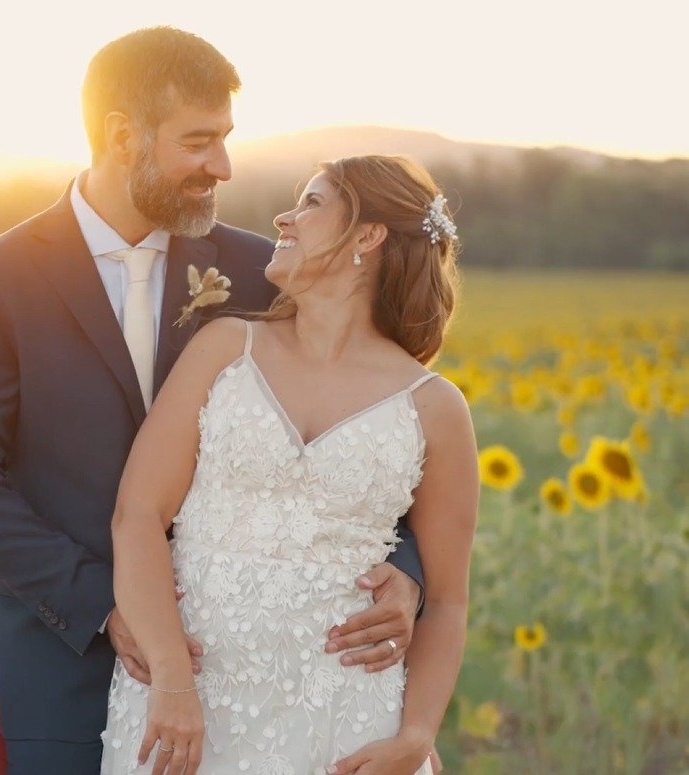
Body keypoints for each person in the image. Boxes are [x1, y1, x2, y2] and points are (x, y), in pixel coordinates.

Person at [0, 27, 428, 774]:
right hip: (65, 658)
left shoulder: (265, 268)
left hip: (253, 670)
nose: (220, 165)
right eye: (199, 141)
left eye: (224, 138)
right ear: (123, 136)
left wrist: (407, 571)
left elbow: (382, 417)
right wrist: (105, 604)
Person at [99, 155, 477, 774]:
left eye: (312, 202)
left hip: (346, 716)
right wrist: (169, 678)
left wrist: (415, 737)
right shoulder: (224, 348)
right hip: (184, 706)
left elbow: (449, 602)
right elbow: (136, 515)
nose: (285, 217)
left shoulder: (434, 406)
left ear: (368, 236)